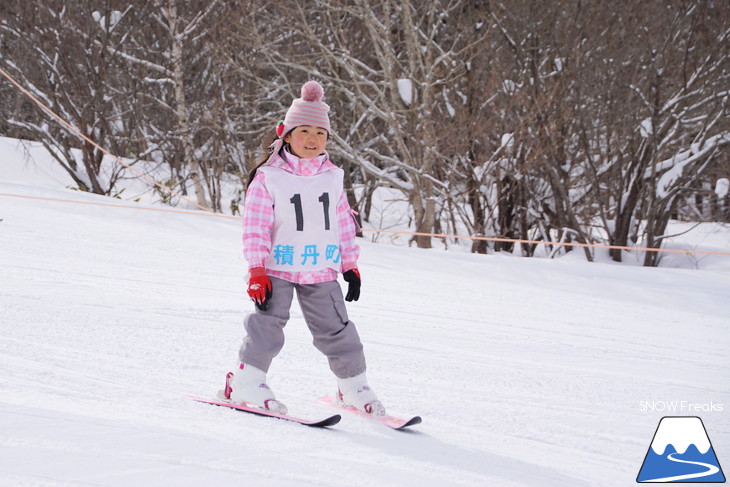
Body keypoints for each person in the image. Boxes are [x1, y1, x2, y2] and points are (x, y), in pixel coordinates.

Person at [221, 80, 385, 416]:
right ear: (287, 134)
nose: (312, 140)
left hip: (320, 266)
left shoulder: (332, 177)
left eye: (320, 134)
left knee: (337, 326)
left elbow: (342, 222)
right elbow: (255, 227)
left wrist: (349, 265)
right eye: (304, 131)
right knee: (268, 323)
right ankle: (247, 379)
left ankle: (352, 385)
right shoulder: (269, 177)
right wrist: (256, 269)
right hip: (277, 266)